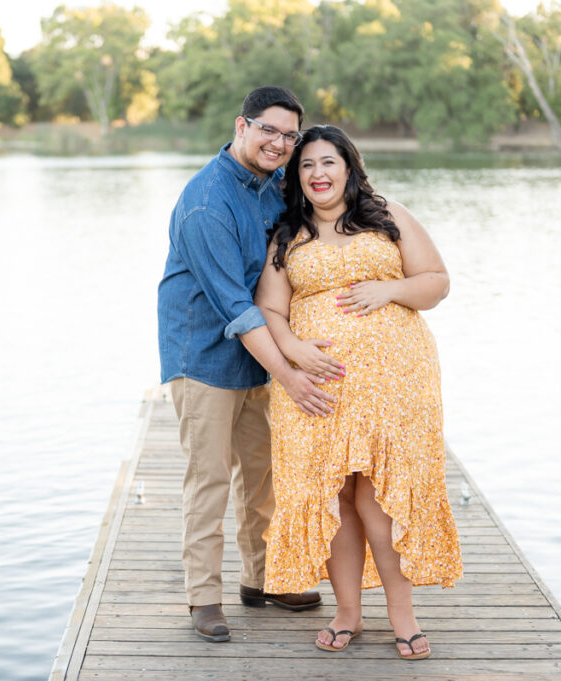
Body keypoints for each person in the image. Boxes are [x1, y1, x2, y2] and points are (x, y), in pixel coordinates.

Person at [255, 125, 463, 660]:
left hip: (393, 382)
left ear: (349, 166)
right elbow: (270, 310)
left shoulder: (386, 216)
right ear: (296, 178)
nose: (318, 174)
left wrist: (390, 289)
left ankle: (403, 616)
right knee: (336, 499)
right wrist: (293, 349)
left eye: (328, 162)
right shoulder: (288, 235)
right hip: (317, 388)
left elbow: (437, 281)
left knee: (379, 497)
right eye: (306, 166)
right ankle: (347, 611)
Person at [157, 87, 345, 643]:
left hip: (256, 356)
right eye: (270, 130)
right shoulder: (205, 202)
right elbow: (236, 309)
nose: (280, 143)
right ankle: (204, 599)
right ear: (242, 125)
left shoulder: (277, 188)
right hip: (205, 355)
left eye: (290, 136)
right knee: (209, 480)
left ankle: (263, 581)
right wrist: (291, 375)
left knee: (263, 476)